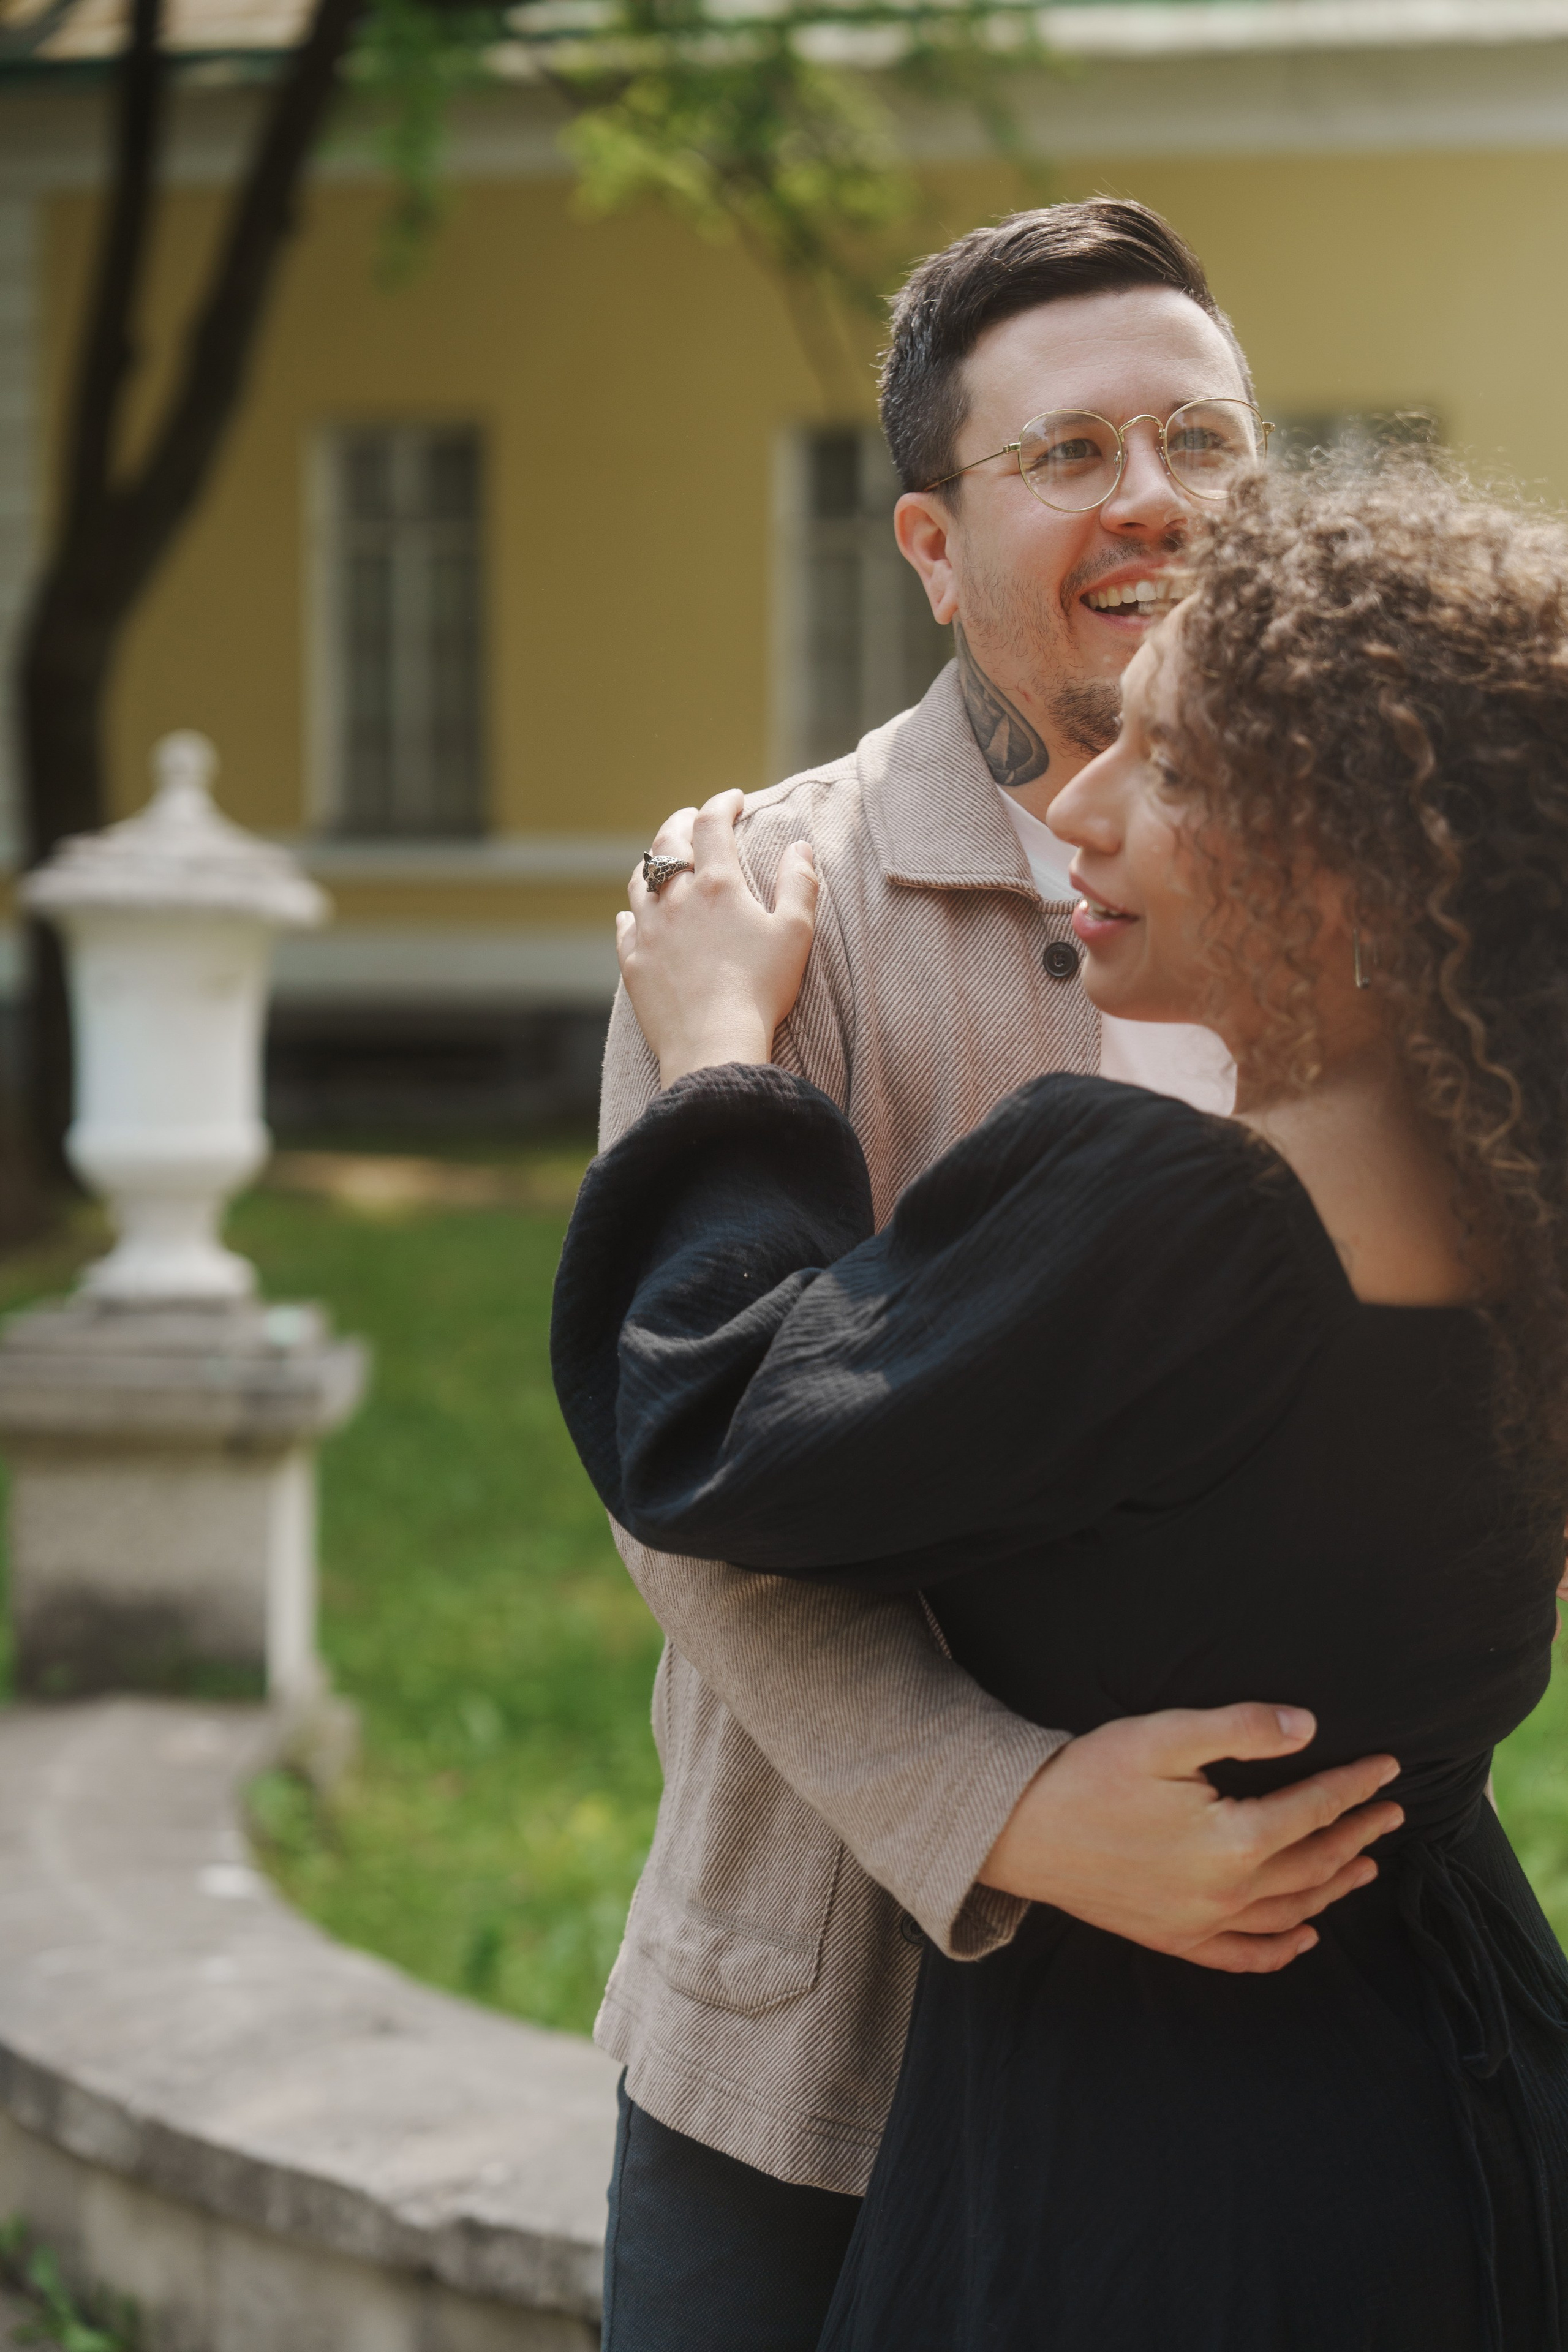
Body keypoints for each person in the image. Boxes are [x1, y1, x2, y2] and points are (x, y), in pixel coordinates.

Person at [558, 456, 1568, 2348]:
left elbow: (711, 1431)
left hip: (1157, 2193)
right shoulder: (1522, 1224)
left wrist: (713, 1060)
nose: (1078, 806)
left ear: (1364, 855)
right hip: (1468, 2109)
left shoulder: (1172, 1217)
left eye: (1168, 766)